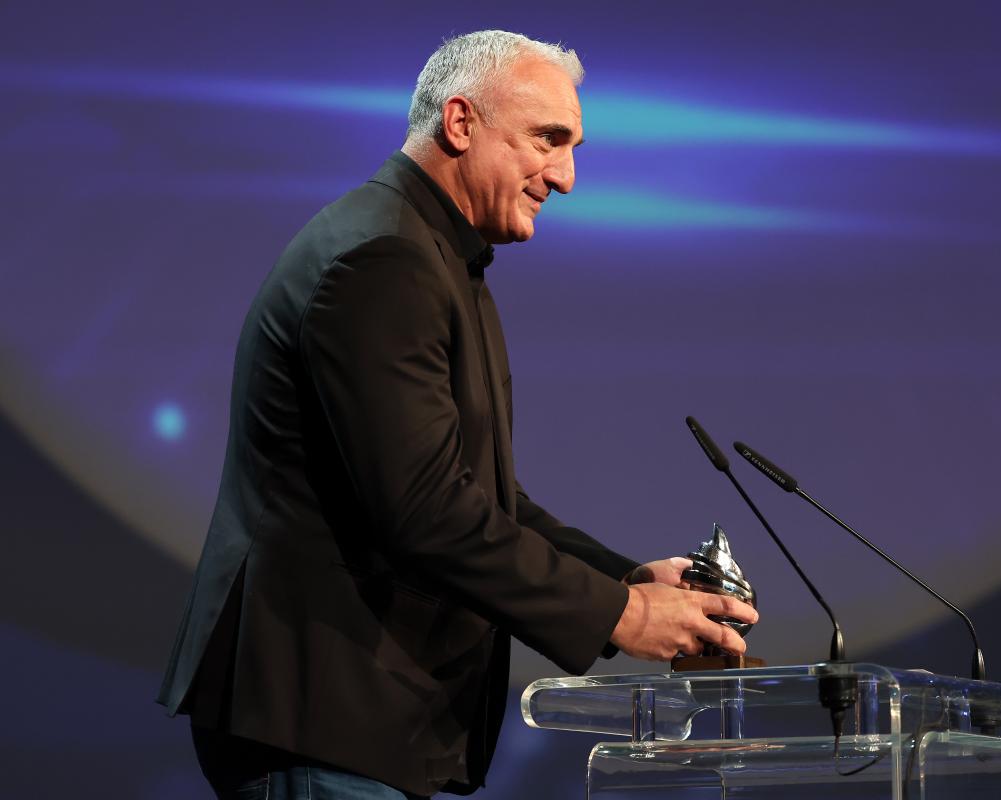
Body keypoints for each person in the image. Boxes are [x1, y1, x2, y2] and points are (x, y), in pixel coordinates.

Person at [157, 30, 758, 800]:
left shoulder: (432, 255)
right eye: (547, 140)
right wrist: (619, 615)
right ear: (462, 122)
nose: (566, 177)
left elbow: (476, 497)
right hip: (320, 715)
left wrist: (627, 578)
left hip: (347, 723)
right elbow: (426, 511)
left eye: (572, 148)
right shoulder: (384, 261)